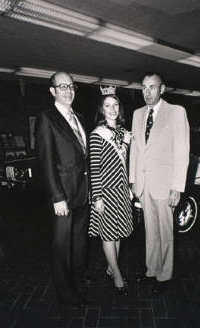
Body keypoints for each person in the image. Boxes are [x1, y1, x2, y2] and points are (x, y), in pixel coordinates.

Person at [129, 72, 190, 294]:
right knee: (150, 231)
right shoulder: (137, 115)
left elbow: (182, 152)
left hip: (165, 185)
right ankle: (151, 271)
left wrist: (177, 187)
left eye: (152, 87)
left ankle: (165, 276)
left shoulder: (175, 112)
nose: (147, 92)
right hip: (144, 185)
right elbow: (135, 149)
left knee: (165, 232)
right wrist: (133, 180)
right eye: (144, 88)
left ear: (162, 89)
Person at [35, 72, 89, 307]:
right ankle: (66, 294)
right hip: (63, 197)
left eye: (71, 86)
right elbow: (45, 161)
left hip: (82, 193)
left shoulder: (79, 117)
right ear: (53, 91)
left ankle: (77, 278)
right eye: (62, 86)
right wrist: (57, 197)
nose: (68, 90)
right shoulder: (47, 118)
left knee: (79, 242)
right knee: (61, 247)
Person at [88, 93, 133, 295]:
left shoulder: (124, 132)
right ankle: (117, 275)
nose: (112, 109)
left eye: (115, 105)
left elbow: (126, 163)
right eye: (108, 105)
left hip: (122, 190)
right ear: (102, 109)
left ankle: (110, 266)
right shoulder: (97, 134)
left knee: (118, 230)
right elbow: (94, 167)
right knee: (108, 233)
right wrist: (97, 197)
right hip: (105, 191)